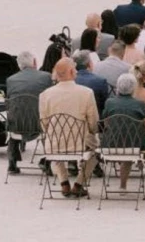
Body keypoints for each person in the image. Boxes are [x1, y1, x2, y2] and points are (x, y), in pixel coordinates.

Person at [39, 57, 99, 199]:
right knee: (96, 152)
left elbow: (44, 124)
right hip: (80, 144)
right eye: (75, 69)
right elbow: (93, 123)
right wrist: (92, 132)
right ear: (71, 72)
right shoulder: (86, 93)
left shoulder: (45, 95)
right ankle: (78, 184)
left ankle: (64, 182)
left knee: (53, 142)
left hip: (54, 144)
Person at [5, 51, 51, 174]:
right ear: (35, 62)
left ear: (19, 65)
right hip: (40, 124)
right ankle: (47, 161)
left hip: (17, 125)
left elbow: (9, 102)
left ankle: (12, 162)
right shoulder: (46, 77)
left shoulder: (11, 80)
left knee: (14, 115)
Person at [102, 73, 145, 190]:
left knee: (123, 140)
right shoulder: (139, 103)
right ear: (134, 88)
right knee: (133, 141)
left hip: (110, 144)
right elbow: (144, 124)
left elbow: (105, 123)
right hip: (133, 146)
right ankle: (138, 164)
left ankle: (136, 164)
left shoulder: (109, 102)